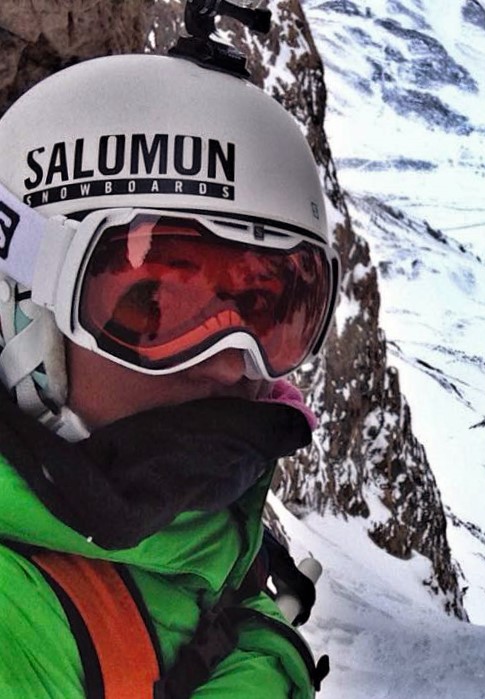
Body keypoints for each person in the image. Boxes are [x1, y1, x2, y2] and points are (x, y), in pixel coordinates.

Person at [0, 30, 337, 699]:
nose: (230, 367)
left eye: (270, 310)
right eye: (152, 303)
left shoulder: (206, 541)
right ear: (26, 308)